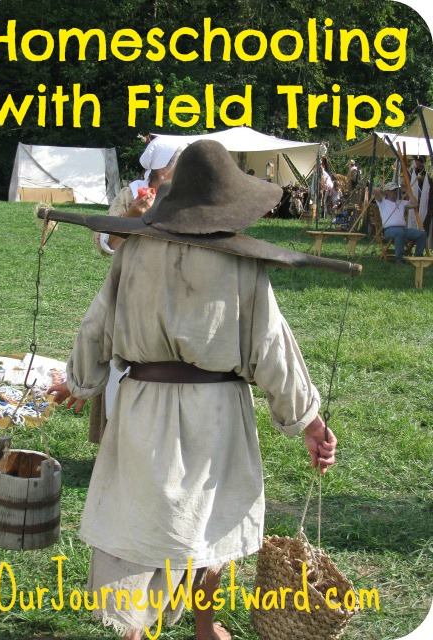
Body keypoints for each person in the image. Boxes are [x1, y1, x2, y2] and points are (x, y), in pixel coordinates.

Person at [49, 140, 337, 640]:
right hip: (216, 416)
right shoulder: (242, 265)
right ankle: (193, 627)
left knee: (145, 523)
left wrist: (80, 380)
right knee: (209, 523)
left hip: (143, 407)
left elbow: (97, 326)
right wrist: (307, 420)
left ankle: (153, 629)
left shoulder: (134, 250)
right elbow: (272, 348)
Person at [90, 138, 184, 444]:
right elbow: (104, 245)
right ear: (164, 169)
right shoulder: (131, 194)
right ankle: (120, 441)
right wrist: (131, 217)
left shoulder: (188, 197)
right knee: (126, 364)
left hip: (174, 292)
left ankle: (158, 444)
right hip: (132, 290)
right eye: (178, 164)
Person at [372, 180, 427, 263]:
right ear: (387, 192)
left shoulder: (401, 203)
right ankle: (399, 259)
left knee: (422, 234)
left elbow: (415, 204)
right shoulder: (383, 202)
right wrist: (384, 191)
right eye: (392, 190)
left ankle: (418, 258)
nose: (395, 192)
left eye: (396, 190)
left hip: (403, 229)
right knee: (399, 233)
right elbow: (375, 190)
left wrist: (408, 191)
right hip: (389, 230)